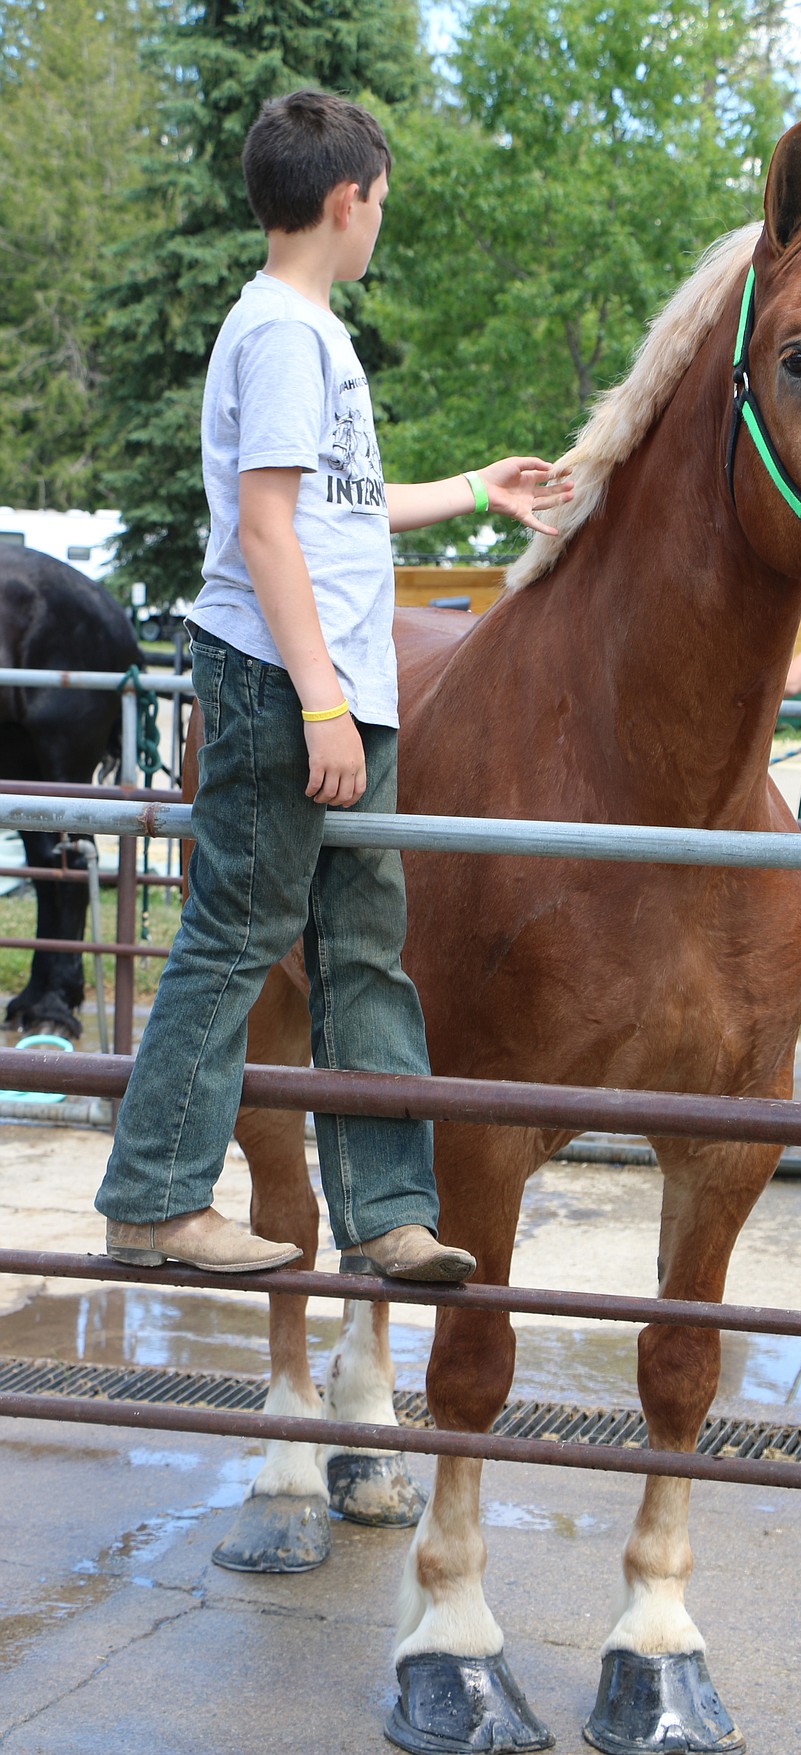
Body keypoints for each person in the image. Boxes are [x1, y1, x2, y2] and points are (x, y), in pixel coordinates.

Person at [95, 88, 570, 1284]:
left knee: (363, 945)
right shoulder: (282, 334)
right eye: (382, 206)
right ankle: (154, 1197)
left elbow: (336, 506)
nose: (380, 228)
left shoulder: (306, 330)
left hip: (340, 685)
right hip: (283, 682)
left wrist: (474, 487)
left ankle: (389, 1215)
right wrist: (316, 700)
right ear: (347, 200)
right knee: (238, 933)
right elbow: (264, 532)